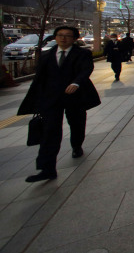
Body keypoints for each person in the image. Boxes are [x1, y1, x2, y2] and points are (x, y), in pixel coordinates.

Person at [18, 26, 100, 182]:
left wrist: (76, 83)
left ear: (74, 38)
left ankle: (76, 146)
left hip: (74, 97)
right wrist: (37, 99)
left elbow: (86, 69)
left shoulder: (82, 53)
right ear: (55, 37)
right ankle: (47, 168)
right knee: (49, 132)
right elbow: (39, 79)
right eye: (60, 35)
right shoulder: (46, 55)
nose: (63, 38)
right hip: (52, 99)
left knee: (76, 123)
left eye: (67, 36)